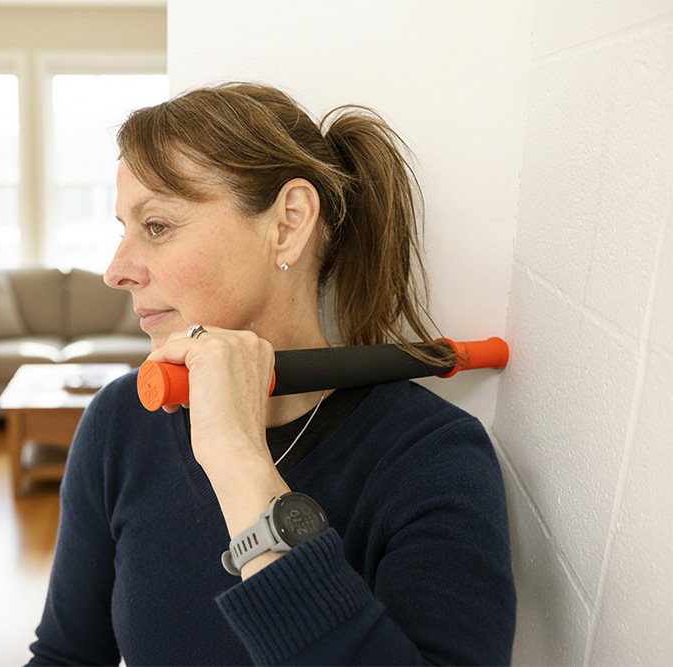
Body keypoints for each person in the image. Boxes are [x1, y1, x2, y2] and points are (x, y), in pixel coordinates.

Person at [28, 82, 516, 665]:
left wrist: (237, 460)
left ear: (287, 223)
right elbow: (66, 657)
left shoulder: (433, 459)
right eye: (122, 229)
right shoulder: (120, 422)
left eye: (156, 226)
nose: (116, 270)